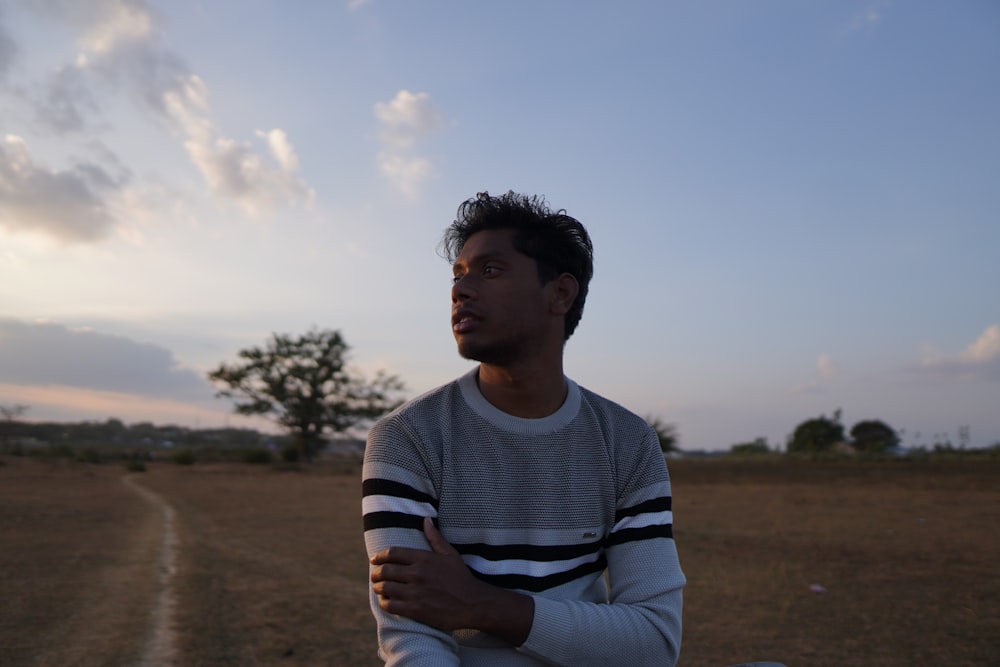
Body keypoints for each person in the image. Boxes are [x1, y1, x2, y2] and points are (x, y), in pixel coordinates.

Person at [362, 191, 685, 666]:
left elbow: (655, 642)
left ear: (560, 293)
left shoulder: (627, 442)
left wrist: (481, 605)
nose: (461, 289)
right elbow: (414, 645)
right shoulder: (408, 437)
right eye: (458, 274)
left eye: (489, 270)